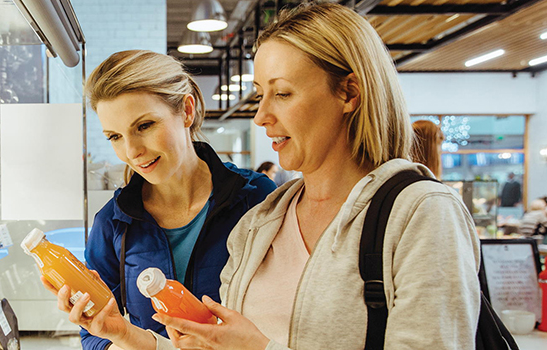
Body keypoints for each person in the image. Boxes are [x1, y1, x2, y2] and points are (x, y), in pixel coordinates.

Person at [153, 3, 480, 349]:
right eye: (261, 94)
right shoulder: (260, 223)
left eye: (282, 93)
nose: (261, 116)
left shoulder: (421, 214)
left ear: (349, 93)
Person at [39, 50, 277, 350]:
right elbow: (96, 337)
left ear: (187, 110)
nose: (132, 151)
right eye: (115, 137)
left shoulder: (257, 199)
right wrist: (109, 331)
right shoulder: (112, 223)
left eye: (144, 126)